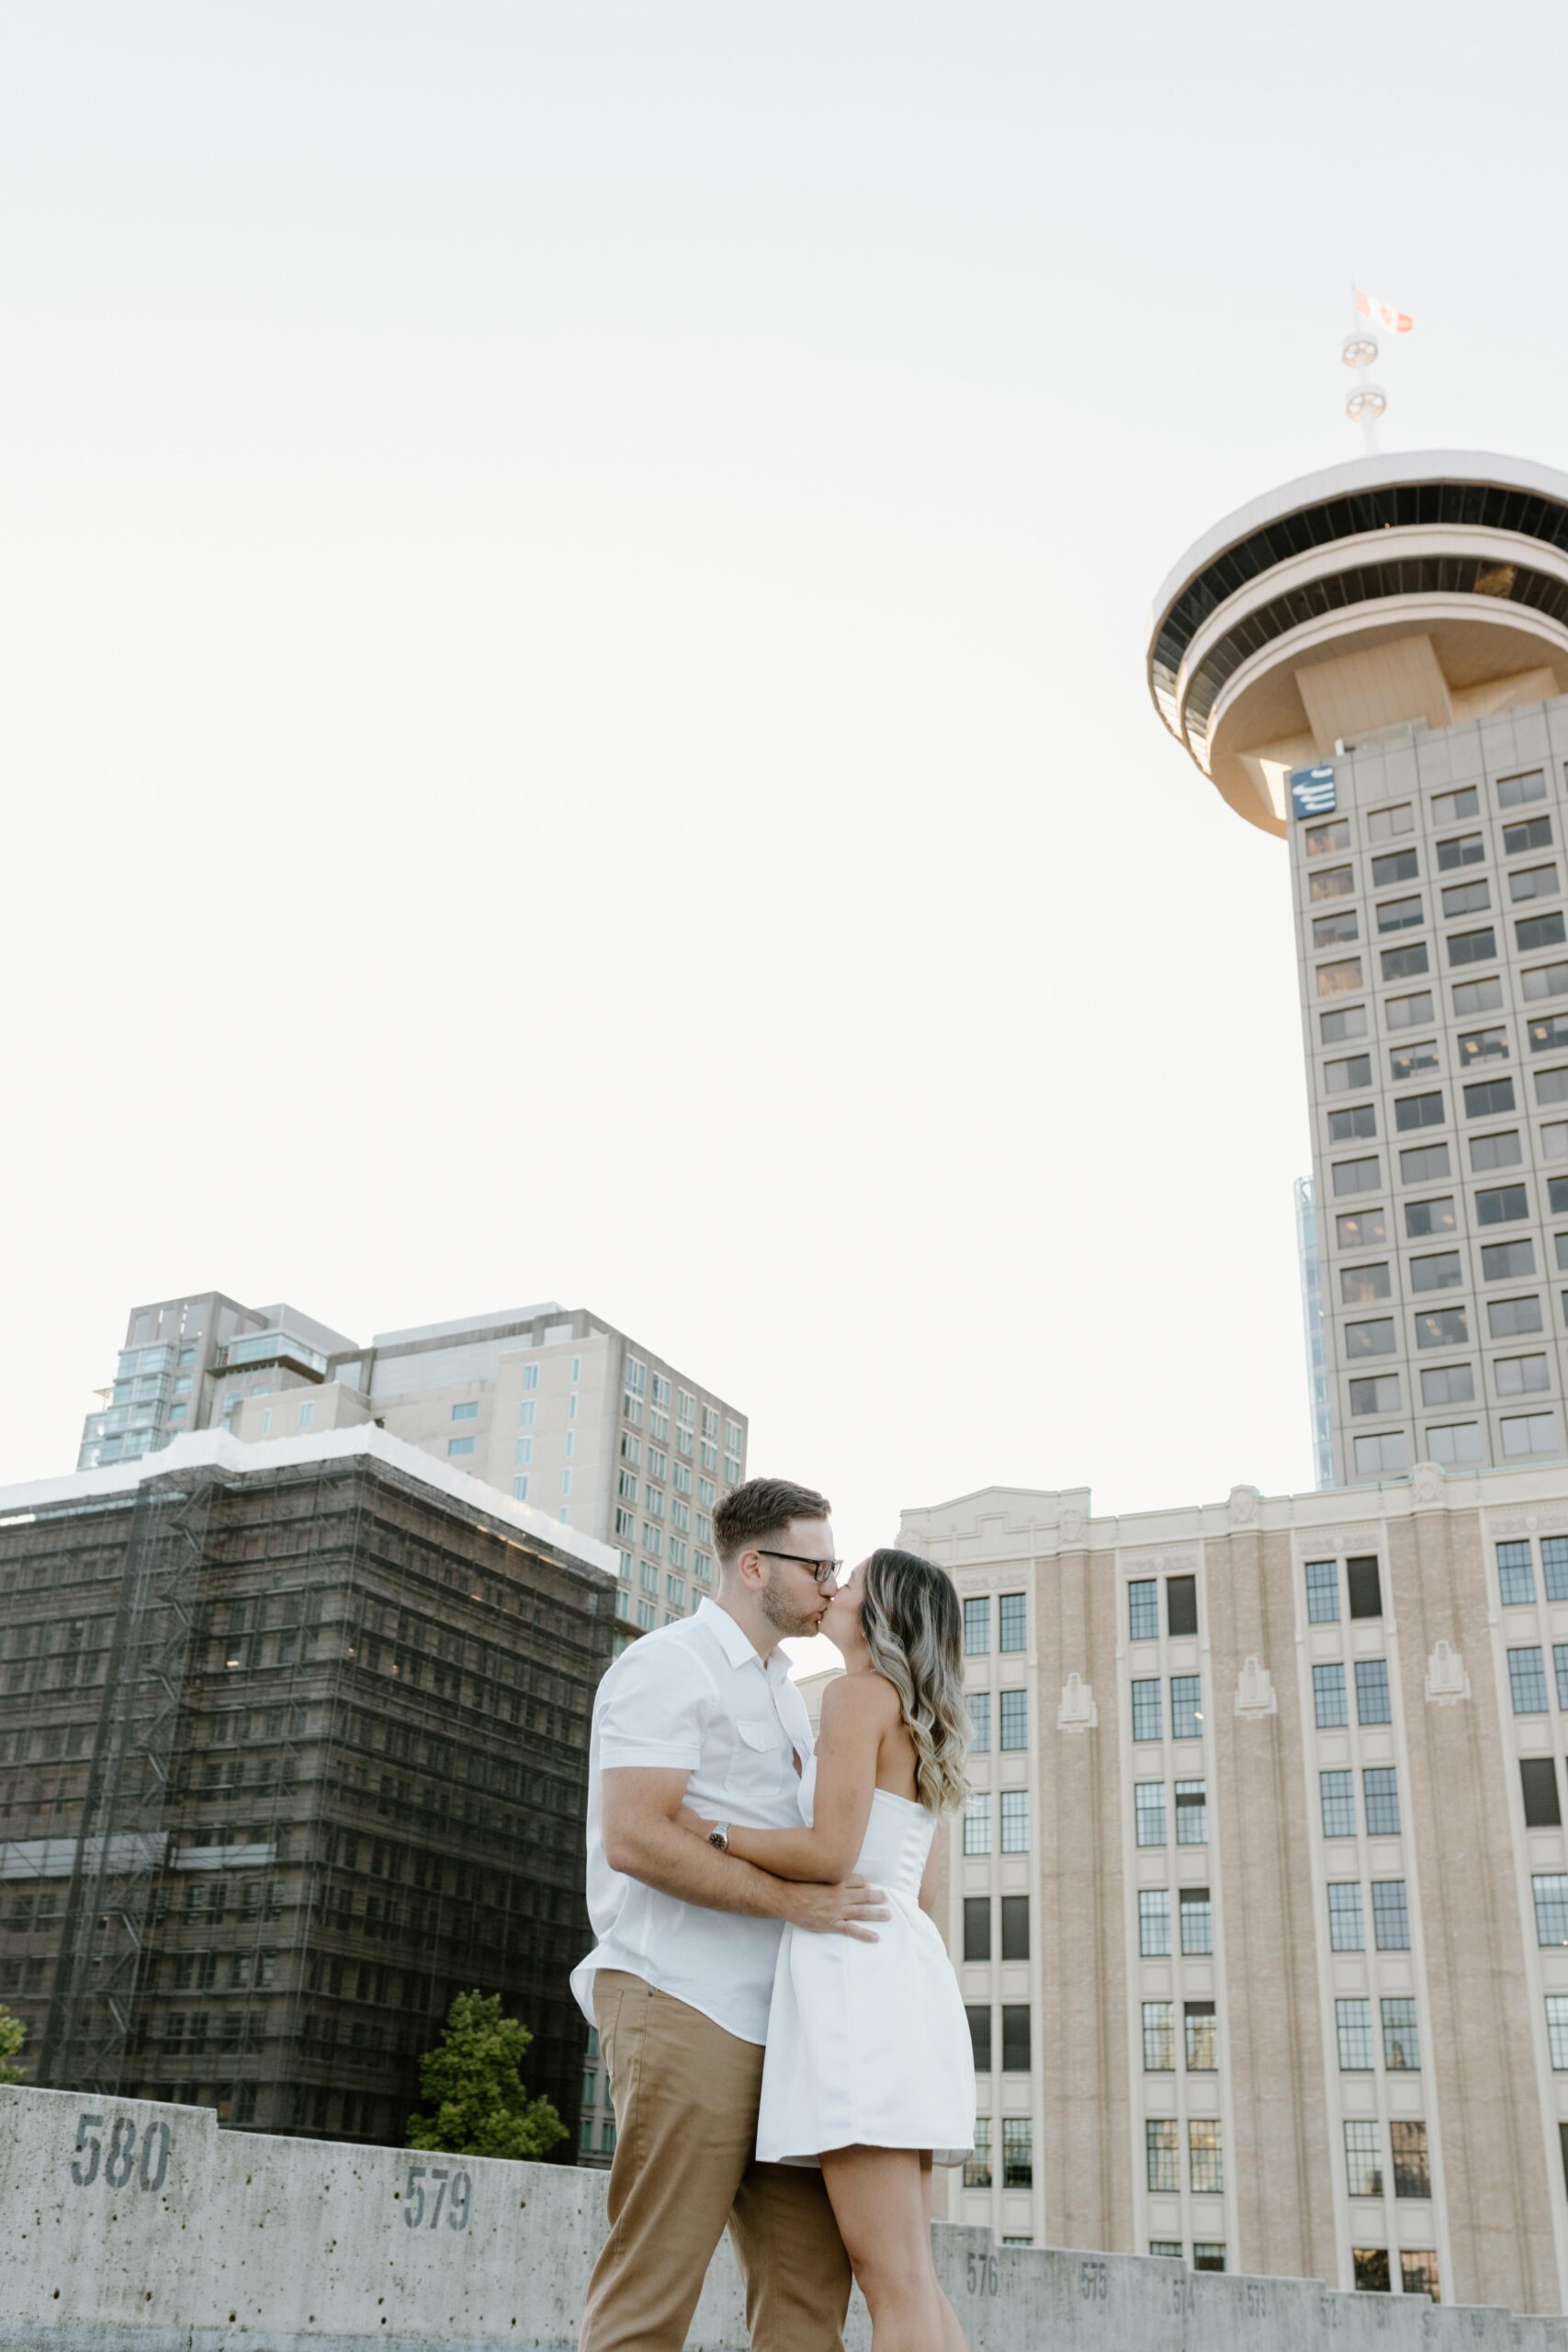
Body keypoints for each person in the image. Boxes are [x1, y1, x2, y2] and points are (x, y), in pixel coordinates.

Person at [571, 1476, 888, 2352]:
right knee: (655, 2281)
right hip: (682, 2003)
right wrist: (795, 1902)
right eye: (817, 1566)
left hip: (784, 2021)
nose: (832, 1584)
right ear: (754, 1566)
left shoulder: (789, 1691)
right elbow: (634, 1836)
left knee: (809, 2287)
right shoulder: (666, 1664)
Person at [680, 1546, 976, 2352]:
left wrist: (707, 1827)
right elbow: (918, 1894)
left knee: (891, 2281)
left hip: (855, 1981)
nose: (834, 1585)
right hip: (903, 1974)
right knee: (913, 2278)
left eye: (852, 1579)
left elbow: (829, 1855)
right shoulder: (917, 1719)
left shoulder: (855, 1697)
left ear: (880, 1611)